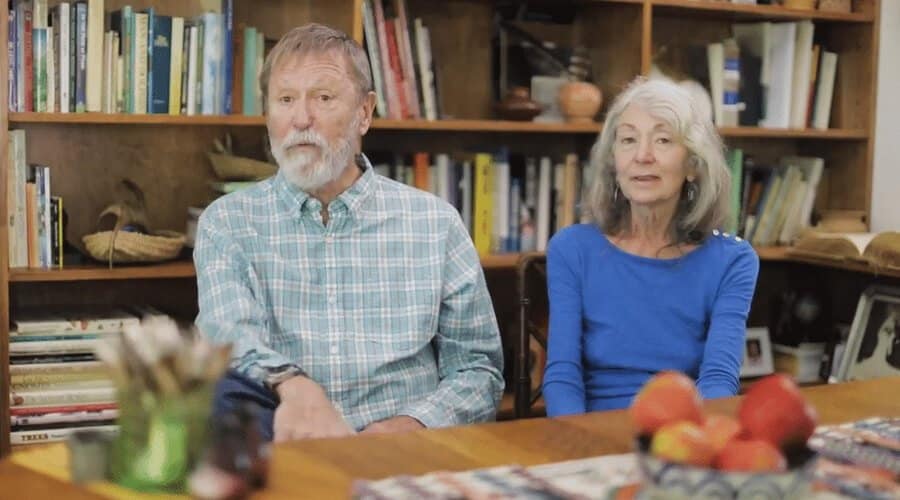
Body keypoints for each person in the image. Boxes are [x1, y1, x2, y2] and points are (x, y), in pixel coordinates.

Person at [194, 23, 504, 442]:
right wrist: (296, 388)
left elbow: (477, 369)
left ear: (365, 112)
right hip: (286, 450)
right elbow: (229, 336)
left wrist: (410, 426)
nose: (300, 118)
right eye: (285, 99)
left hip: (405, 456)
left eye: (323, 98)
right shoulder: (227, 223)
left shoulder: (435, 224)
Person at [542, 77, 759, 416]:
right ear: (613, 162)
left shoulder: (733, 260)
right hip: (591, 435)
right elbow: (562, 377)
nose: (643, 156)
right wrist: (580, 448)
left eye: (663, 140)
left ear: (693, 165)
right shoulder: (571, 249)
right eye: (628, 140)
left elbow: (718, 379)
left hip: (684, 434)